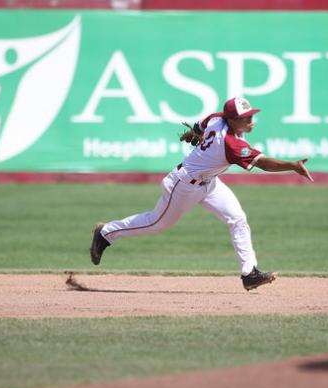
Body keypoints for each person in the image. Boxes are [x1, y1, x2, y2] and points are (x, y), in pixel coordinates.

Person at [90, 97, 314, 291]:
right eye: (245, 117)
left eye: (250, 115)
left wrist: (192, 133)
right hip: (183, 185)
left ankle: (250, 273)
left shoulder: (217, 117)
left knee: (237, 218)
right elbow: (264, 164)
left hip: (209, 183)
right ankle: (105, 233)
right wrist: (292, 166)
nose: (250, 120)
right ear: (232, 119)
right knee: (156, 224)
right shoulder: (231, 144)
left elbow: (199, 127)